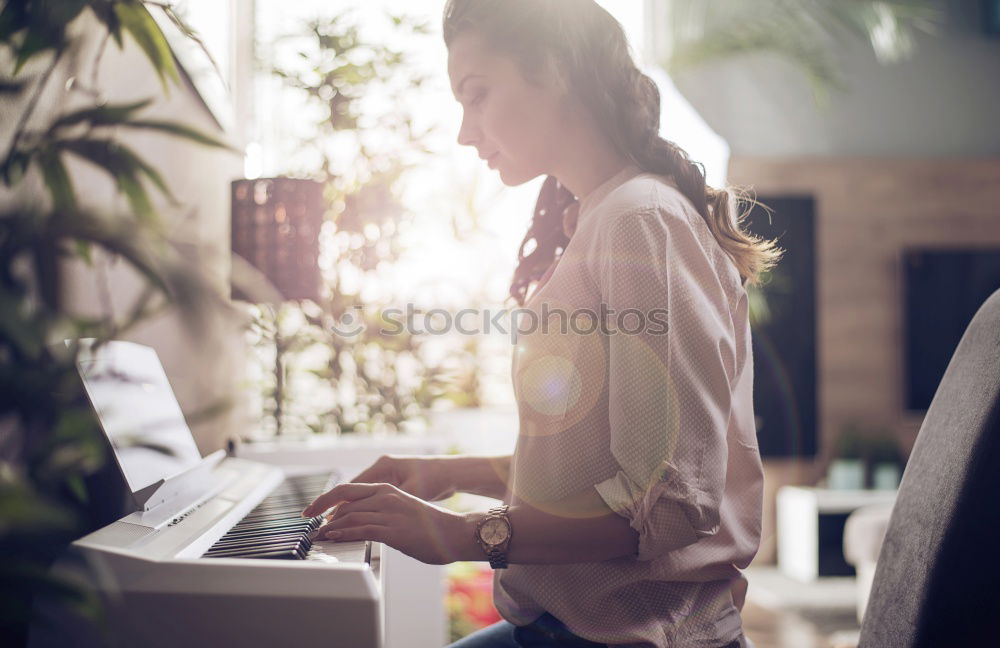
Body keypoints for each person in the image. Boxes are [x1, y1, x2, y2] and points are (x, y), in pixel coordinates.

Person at [302, 0, 783, 645]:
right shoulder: (610, 213)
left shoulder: (640, 220)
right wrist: (445, 473)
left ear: (554, 69)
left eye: (477, 95)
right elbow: (600, 470)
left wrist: (459, 535)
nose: (464, 133)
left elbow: (668, 505)